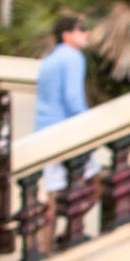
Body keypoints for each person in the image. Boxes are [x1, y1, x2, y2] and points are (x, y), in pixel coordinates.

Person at [35, 15, 91, 192]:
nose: (86, 33)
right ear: (66, 35)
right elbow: (73, 98)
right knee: (92, 181)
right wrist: (91, 123)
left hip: (43, 130)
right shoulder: (73, 57)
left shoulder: (48, 60)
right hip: (65, 132)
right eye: (80, 30)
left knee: (52, 189)